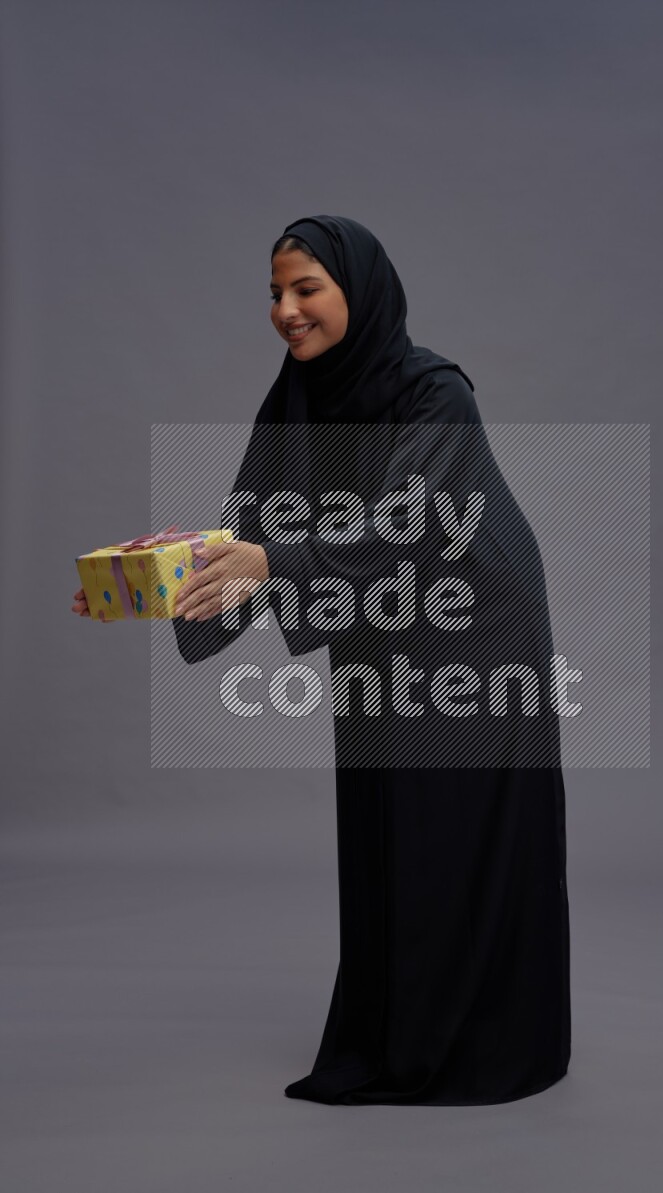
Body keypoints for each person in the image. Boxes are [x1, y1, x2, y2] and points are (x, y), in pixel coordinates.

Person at [74, 215, 571, 1105]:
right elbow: (250, 534)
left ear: (359, 291)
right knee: (391, 826)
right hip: (377, 618)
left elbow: (416, 523)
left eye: (307, 288)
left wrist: (276, 562)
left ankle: (488, 1043)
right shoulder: (297, 400)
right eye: (275, 292)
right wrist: (149, 587)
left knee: (455, 829)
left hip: (475, 624)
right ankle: (399, 1035)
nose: (286, 310)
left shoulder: (434, 394)